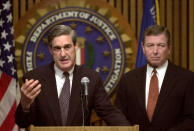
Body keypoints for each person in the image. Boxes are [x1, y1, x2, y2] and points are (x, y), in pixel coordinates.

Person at [15, 25, 130, 128]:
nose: (63, 54)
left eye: (67, 47)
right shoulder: (34, 78)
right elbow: (22, 123)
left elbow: (108, 112)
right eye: (57, 48)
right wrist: (25, 105)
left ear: (76, 46)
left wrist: (129, 129)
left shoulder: (91, 78)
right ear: (50, 50)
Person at [115, 25, 194, 131]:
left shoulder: (187, 79)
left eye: (161, 45)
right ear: (143, 48)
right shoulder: (128, 80)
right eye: (150, 45)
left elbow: (191, 119)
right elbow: (118, 117)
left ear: (169, 48)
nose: (155, 51)